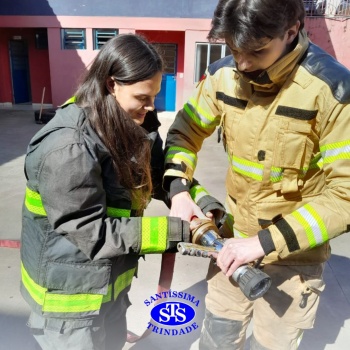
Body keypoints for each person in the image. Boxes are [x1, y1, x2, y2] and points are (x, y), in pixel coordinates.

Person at [163, 0, 350, 349]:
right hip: (230, 247)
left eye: (256, 51)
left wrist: (262, 244)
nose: (242, 63)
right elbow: (183, 133)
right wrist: (178, 189)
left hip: (293, 261)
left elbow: (345, 196)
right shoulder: (222, 76)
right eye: (234, 49)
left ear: (291, 31)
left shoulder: (333, 92)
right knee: (218, 337)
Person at [20, 33, 224, 350]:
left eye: (154, 95)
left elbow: (158, 173)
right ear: (112, 84)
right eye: (143, 97)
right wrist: (180, 230)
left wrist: (198, 202)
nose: (151, 106)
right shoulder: (68, 146)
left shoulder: (129, 122)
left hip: (109, 292)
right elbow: (91, 232)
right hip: (70, 306)